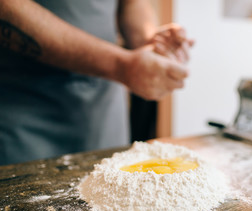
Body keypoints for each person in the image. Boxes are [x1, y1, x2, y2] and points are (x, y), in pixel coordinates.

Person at [0, 0, 193, 165]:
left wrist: (151, 41)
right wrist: (121, 65)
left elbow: (132, 2)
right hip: (22, 114)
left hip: (104, 111)